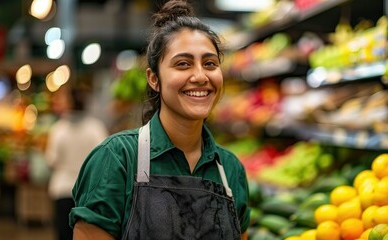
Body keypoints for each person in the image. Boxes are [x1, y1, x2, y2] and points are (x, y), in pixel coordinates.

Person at [69, 0, 251, 239]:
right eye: (183, 64)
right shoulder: (116, 158)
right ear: (154, 79)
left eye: (210, 63)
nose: (200, 76)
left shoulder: (230, 169)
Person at [45, 85, 109, 240]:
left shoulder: (58, 129)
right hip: (90, 191)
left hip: (63, 189)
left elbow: (51, 160)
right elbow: (106, 159)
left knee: (63, 234)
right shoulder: (96, 128)